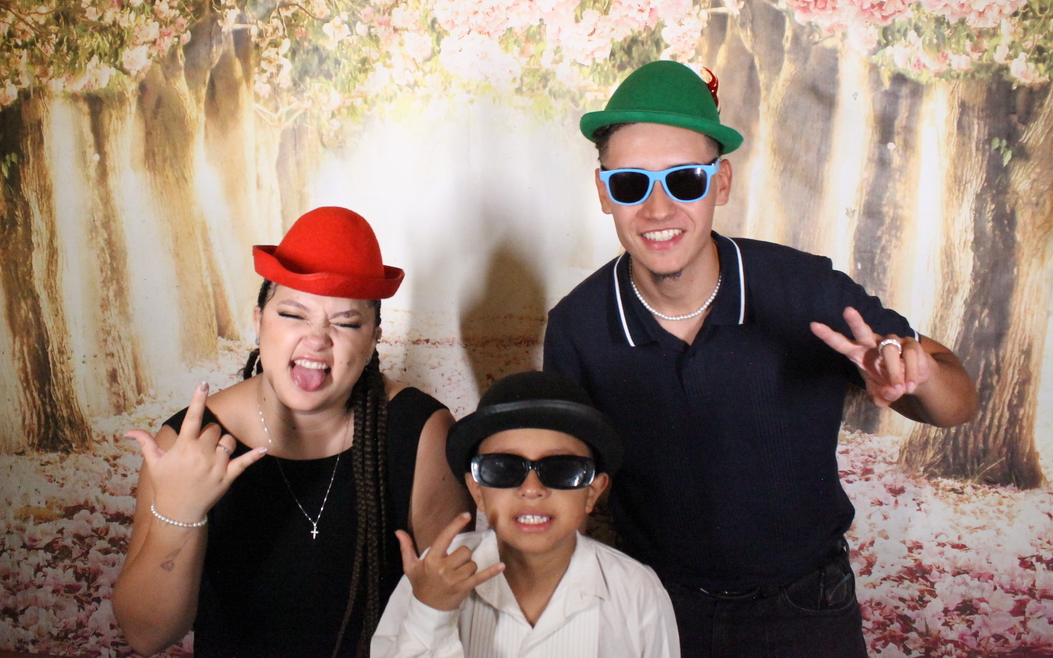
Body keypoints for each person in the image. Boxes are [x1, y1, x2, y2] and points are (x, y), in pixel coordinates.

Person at [541, 61, 978, 658]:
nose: (658, 209)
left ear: (721, 182)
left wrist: (917, 374)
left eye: (684, 181)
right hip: (653, 608)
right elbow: (566, 485)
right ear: (603, 193)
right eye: (631, 184)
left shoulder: (804, 290)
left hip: (806, 610)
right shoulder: (578, 324)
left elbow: (957, 406)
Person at [114, 206, 472, 658]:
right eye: (293, 314)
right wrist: (179, 512)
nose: (317, 339)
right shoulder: (191, 444)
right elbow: (147, 636)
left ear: (374, 337)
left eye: (346, 322)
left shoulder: (420, 434)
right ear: (258, 320)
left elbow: (459, 616)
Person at [371, 370, 680, 658]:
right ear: (477, 491)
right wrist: (431, 612)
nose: (532, 489)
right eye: (504, 468)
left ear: (592, 491)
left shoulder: (637, 591)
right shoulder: (434, 576)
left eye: (561, 469)